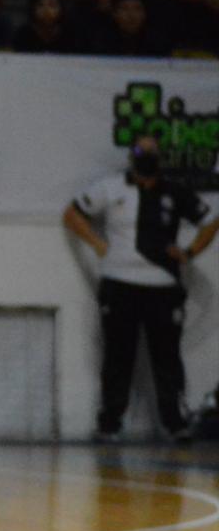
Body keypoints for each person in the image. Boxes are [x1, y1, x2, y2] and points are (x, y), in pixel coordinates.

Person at [64, 136, 218, 441]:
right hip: (119, 285)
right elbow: (72, 214)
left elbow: (210, 221)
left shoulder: (174, 192)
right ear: (132, 156)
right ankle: (109, 424)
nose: (146, 155)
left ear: (159, 156)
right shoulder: (111, 188)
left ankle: (175, 424)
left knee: (167, 358)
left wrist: (188, 253)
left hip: (163, 287)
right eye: (140, 150)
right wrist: (98, 245)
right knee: (118, 356)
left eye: (152, 151)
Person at [9, 0, 89, 52]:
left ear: (61, 9)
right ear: (33, 9)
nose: (46, 10)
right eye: (41, 5)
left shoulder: (70, 35)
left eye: (52, 5)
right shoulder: (24, 34)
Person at [96, 0, 167, 56]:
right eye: (124, 8)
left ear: (144, 14)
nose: (131, 15)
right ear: (114, 14)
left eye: (137, 8)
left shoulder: (156, 42)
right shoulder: (103, 40)